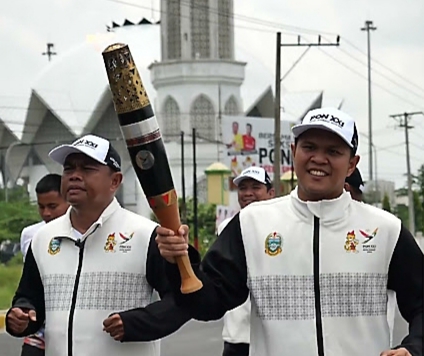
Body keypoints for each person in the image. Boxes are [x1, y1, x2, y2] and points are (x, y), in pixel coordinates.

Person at [156, 108, 423, 356]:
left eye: (333, 151)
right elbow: (208, 302)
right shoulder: (252, 224)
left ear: (352, 164)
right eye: (309, 147)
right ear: (294, 151)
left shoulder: (385, 230)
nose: (319, 158)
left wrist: (414, 347)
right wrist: (179, 261)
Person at [6, 134, 190, 356]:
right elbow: (30, 297)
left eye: (87, 169)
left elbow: (182, 301)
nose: (74, 176)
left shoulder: (145, 235)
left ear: (115, 181)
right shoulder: (44, 238)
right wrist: (22, 316)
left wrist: (136, 323)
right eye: (69, 169)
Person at [218, 166, 274, 356]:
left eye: (255, 187)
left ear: (271, 193)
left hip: (272, 338)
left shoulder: (281, 229)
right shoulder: (226, 228)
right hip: (237, 338)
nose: (248, 193)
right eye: (243, 188)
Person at [19, 174, 69, 356]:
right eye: (41, 207)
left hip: (71, 329)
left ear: (68, 200)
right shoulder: (31, 235)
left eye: (53, 206)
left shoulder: (83, 233)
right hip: (40, 329)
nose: (46, 213)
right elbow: (30, 283)